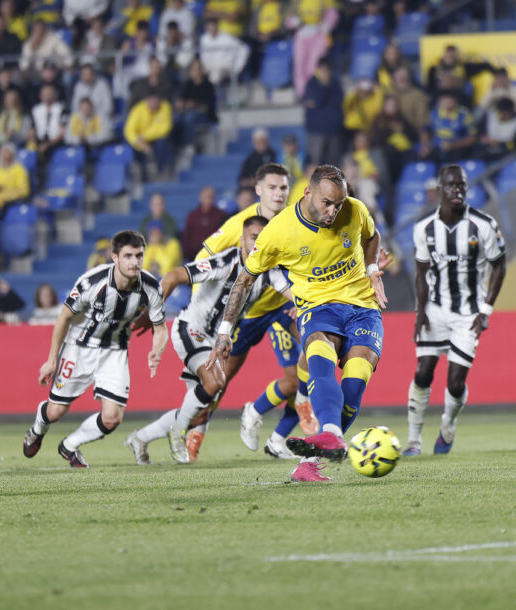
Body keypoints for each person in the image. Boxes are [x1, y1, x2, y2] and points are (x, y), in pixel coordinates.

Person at [208, 165, 387, 482]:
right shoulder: (278, 231)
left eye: (338, 204)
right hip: (318, 307)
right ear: (308, 193)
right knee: (320, 355)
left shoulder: (355, 210)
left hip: (363, 306)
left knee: (357, 379)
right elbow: (244, 280)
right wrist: (224, 331)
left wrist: (372, 268)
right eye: (326, 203)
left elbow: (372, 237)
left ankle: (311, 464)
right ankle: (329, 432)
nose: (333, 211)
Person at [126, 215, 293, 464]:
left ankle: (140, 438)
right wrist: (153, 312)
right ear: (241, 240)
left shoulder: (269, 271)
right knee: (215, 382)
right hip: (190, 329)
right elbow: (172, 276)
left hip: (212, 343)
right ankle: (177, 434)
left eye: (264, 239)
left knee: (200, 413)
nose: (259, 244)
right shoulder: (225, 262)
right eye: (254, 238)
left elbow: (296, 295)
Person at [194, 164, 313, 460]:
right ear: (258, 189)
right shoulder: (240, 224)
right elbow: (202, 257)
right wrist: (203, 306)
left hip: (283, 306)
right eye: (272, 187)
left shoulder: (295, 219)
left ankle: (286, 424)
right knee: (220, 381)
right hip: (247, 312)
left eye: (283, 188)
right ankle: (196, 430)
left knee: (316, 347)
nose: (278, 193)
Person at [22, 230, 168, 468]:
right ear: (115, 257)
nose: (135, 262)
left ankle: (69, 446)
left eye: (139, 256)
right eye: (128, 256)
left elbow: (160, 329)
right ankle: (37, 429)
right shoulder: (92, 282)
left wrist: (157, 350)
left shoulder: (151, 286)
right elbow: (63, 319)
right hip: (79, 348)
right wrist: (51, 359)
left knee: (112, 418)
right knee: (56, 411)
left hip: (115, 351)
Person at [404, 164, 506, 456]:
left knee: (455, 380)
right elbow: (421, 273)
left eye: (462, 185)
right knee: (423, 372)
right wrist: (419, 312)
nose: (457, 190)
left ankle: (448, 424)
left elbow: (499, 265)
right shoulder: (424, 228)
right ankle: (413, 440)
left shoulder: (483, 225)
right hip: (435, 309)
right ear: (440, 190)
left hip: (468, 314)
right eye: (451, 186)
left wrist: (485, 310)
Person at [181, 185, 226, 258]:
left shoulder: (221, 215)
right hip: (194, 256)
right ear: (200, 197)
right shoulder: (192, 215)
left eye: (210, 197)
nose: (208, 199)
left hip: (214, 255)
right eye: (206, 196)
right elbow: (187, 237)